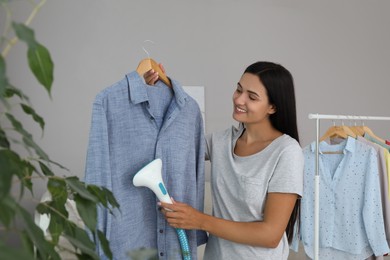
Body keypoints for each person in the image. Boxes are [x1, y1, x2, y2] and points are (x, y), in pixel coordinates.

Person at [144, 61, 304, 260]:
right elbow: (170, 143)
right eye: (239, 89)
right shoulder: (220, 142)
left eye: (252, 97)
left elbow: (270, 235)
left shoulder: (287, 152)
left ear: (272, 107)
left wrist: (199, 220)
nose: (239, 99)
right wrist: (157, 92)